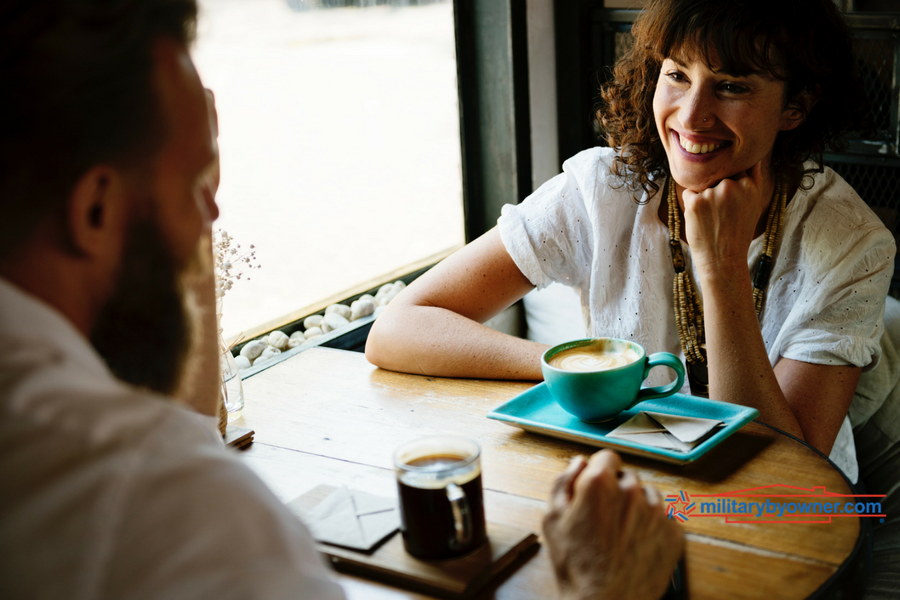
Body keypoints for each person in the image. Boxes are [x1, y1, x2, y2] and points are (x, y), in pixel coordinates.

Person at [0, 1, 683, 598]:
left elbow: (176, 429)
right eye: (197, 188)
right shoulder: (180, 510)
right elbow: (171, 450)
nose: (213, 223)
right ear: (94, 210)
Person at [366, 0, 896, 483]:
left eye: (731, 86)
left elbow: (785, 476)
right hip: (629, 481)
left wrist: (722, 266)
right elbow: (396, 328)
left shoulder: (854, 243)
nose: (691, 116)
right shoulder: (604, 188)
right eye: (678, 76)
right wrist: (585, 368)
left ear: (794, 108)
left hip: (789, 518)